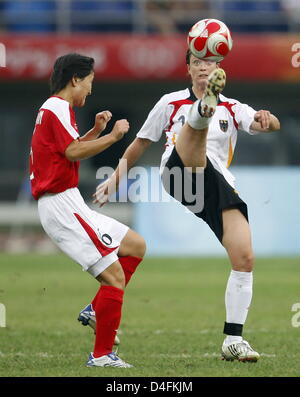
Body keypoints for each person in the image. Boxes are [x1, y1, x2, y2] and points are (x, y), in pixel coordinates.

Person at [94, 48, 280, 362]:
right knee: (194, 145)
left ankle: (233, 340)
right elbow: (140, 143)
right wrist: (115, 179)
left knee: (245, 257)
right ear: (189, 70)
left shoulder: (234, 109)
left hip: (216, 187)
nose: (203, 67)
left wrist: (267, 118)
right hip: (178, 173)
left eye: (209, 63)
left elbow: (272, 125)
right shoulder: (169, 102)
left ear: (219, 68)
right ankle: (201, 114)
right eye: (197, 63)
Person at [29, 53, 146, 368]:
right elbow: (72, 151)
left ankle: (96, 311)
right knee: (114, 277)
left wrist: (94, 131)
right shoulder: (57, 107)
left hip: (67, 201)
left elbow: (66, 151)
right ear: (75, 79)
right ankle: (102, 356)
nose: (91, 91)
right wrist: (113, 137)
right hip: (61, 204)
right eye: (90, 82)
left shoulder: (54, 109)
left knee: (135, 246)